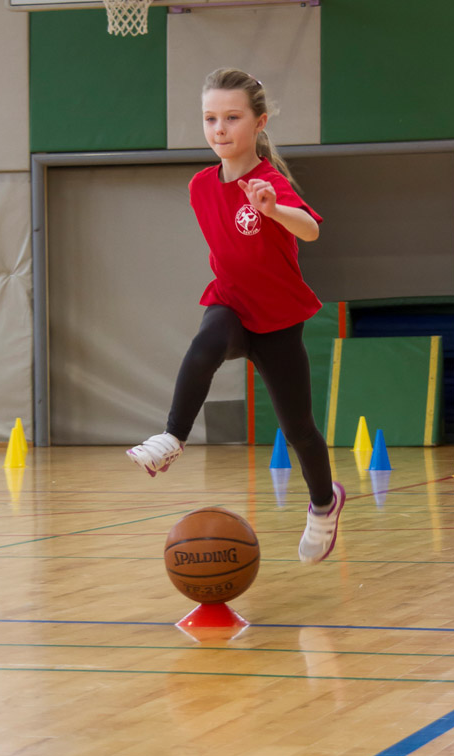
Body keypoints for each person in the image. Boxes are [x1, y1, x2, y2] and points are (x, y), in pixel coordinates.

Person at [127, 68, 345, 564]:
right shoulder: (200, 186)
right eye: (210, 118)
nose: (219, 128)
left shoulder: (270, 182)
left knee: (299, 429)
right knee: (205, 344)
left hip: (278, 318)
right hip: (230, 301)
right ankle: (172, 436)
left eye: (232, 117)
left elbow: (310, 229)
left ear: (259, 122)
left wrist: (273, 210)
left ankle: (323, 504)